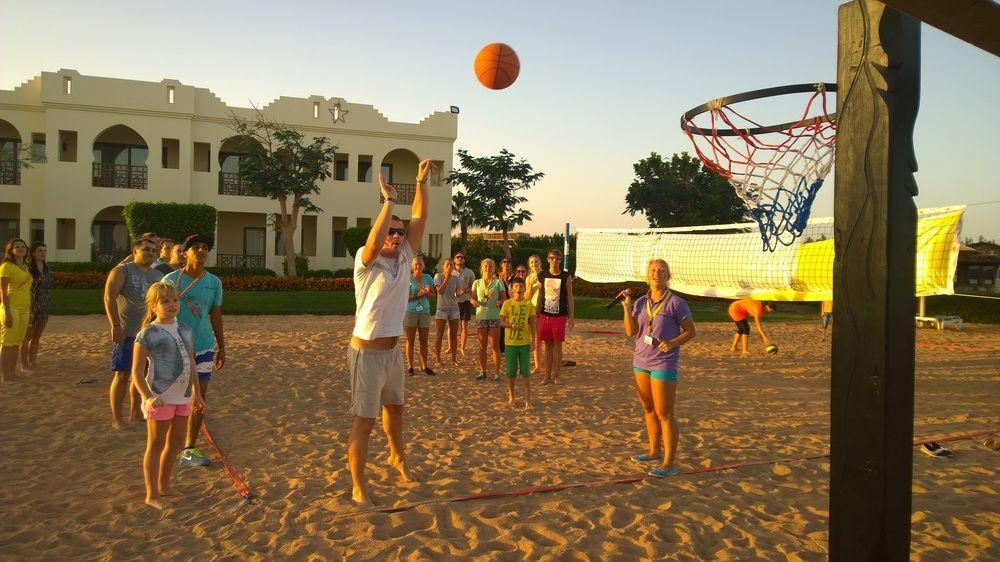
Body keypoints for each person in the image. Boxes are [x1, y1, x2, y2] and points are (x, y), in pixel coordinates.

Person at [346, 159, 436, 506]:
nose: (397, 236)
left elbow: (421, 218)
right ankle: (358, 487)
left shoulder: (405, 256)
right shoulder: (366, 260)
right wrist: (388, 203)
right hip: (365, 354)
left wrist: (420, 181)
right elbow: (372, 241)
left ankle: (397, 457)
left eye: (400, 232)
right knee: (364, 422)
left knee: (395, 409)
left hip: (392, 353)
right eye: (391, 232)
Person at [131, 280, 205, 510]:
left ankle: (164, 485)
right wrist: (147, 396)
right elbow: (136, 372)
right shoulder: (148, 334)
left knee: (175, 444)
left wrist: (198, 394)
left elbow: (191, 362)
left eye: (175, 300)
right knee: (155, 444)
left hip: (183, 397)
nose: (172, 304)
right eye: (165, 301)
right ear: (154, 306)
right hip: (160, 396)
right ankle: (151, 493)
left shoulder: (184, 329)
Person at [620, 259, 696, 478]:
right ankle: (654, 451)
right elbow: (631, 331)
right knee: (649, 409)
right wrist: (626, 308)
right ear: (647, 275)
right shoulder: (641, 302)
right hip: (641, 361)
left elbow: (691, 332)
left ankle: (669, 462)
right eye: (653, 270)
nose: (657, 273)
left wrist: (672, 342)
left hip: (664, 361)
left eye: (661, 271)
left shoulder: (676, 303)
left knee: (664, 413)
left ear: (668, 275)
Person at [164, 234, 225, 467]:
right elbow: (155, 311)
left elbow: (216, 316)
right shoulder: (170, 280)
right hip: (174, 345)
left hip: (203, 345)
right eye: (196, 247)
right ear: (185, 252)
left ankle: (190, 447)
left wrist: (222, 346)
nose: (201, 251)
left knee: (200, 398)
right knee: (174, 397)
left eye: (205, 248)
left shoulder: (214, 282)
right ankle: (171, 445)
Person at [104, 236, 163, 428]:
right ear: (135, 251)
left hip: (148, 333)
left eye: (154, 251)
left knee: (141, 373)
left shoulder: (156, 276)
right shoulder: (122, 271)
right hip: (126, 331)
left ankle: (135, 412)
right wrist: (115, 326)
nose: (150, 253)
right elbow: (109, 298)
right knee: (122, 374)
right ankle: (116, 418)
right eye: (146, 249)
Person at [536, 249, 575, 385]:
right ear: (548, 259)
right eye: (552, 258)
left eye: (558, 258)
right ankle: (547, 375)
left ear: (560, 260)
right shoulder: (542, 275)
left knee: (558, 345)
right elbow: (541, 294)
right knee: (548, 346)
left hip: (560, 315)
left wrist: (571, 316)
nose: (555, 261)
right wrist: (536, 310)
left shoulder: (566, 276)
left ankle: (556, 375)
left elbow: (570, 296)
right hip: (545, 314)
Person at [499, 277, 535, 408]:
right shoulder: (507, 304)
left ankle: (528, 400)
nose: (519, 289)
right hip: (510, 343)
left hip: (524, 343)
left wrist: (534, 340)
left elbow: (533, 324)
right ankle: (511, 397)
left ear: (524, 289)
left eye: (521, 286)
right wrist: (511, 326)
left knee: (526, 373)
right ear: (512, 289)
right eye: (516, 287)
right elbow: (501, 322)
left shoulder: (529, 304)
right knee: (511, 373)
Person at [0, 239, 32, 383]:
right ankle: (5, 375)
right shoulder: (7, 266)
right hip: (11, 307)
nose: (20, 249)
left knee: (16, 342)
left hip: (24, 308)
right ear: (11, 250)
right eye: (17, 247)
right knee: (7, 342)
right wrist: (7, 312)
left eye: (23, 246)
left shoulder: (25, 266)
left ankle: (12, 372)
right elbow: (3, 292)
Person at [471, 258, 505, 381]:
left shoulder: (498, 283)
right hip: (481, 316)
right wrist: (473, 302)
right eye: (485, 266)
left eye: (490, 266)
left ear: (493, 268)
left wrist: (499, 302)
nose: (487, 268)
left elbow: (504, 298)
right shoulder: (477, 283)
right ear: (482, 268)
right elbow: (472, 298)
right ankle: (483, 371)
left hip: (494, 316)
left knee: (495, 346)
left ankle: (497, 373)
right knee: (482, 346)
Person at [22, 242, 52, 372]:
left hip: (43, 304)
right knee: (27, 336)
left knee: (37, 335)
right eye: (40, 250)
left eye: (44, 250)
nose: (43, 253)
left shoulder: (47, 268)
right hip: (31, 304)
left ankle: (33, 362)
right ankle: (24, 364)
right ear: (33, 253)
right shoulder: (27, 268)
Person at [404, 256, 435, 376]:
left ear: (423, 266)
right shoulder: (408, 278)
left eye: (420, 264)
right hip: (411, 312)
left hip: (424, 312)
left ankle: (424, 366)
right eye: (416, 264)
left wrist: (427, 293)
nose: (418, 266)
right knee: (410, 340)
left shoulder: (428, 278)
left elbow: (433, 296)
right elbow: (405, 298)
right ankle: (411, 366)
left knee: (424, 341)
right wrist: (419, 294)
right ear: (412, 266)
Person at [433, 257, 460, 369]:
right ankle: (438, 359)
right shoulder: (438, 276)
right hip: (442, 309)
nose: (450, 267)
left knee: (454, 334)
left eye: (452, 265)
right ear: (443, 266)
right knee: (439, 335)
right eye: (448, 265)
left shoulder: (456, 278)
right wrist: (447, 278)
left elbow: (456, 292)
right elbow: (440, 291)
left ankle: (454, 359)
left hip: (454, 308)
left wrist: (459, 292)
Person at [452, 251, 477, 357]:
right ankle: (451, 346)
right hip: (453, 301)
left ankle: (462, 348)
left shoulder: (469, 272)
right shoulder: (451, 272)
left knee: (464, 325)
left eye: (461, 257)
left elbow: (474, 287)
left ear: (464, 260)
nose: (460, 259)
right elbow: (447, 287)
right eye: (457, 257)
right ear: (454, 260)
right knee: (452, 326)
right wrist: (455, 292)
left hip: (466, 301)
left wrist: (466, 290)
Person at [524, 254, 543, 373]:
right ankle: (537, 364)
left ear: (540, 263)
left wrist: (542, 286)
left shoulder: (544, 275)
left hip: (542, 309)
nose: (534, 264)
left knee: (540, 339)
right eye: (531, 262)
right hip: (532, 309)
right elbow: (527, 297)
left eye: (536, 262)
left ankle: (539, 364)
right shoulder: (528, 278)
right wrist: (530, 285)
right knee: (534, 338)